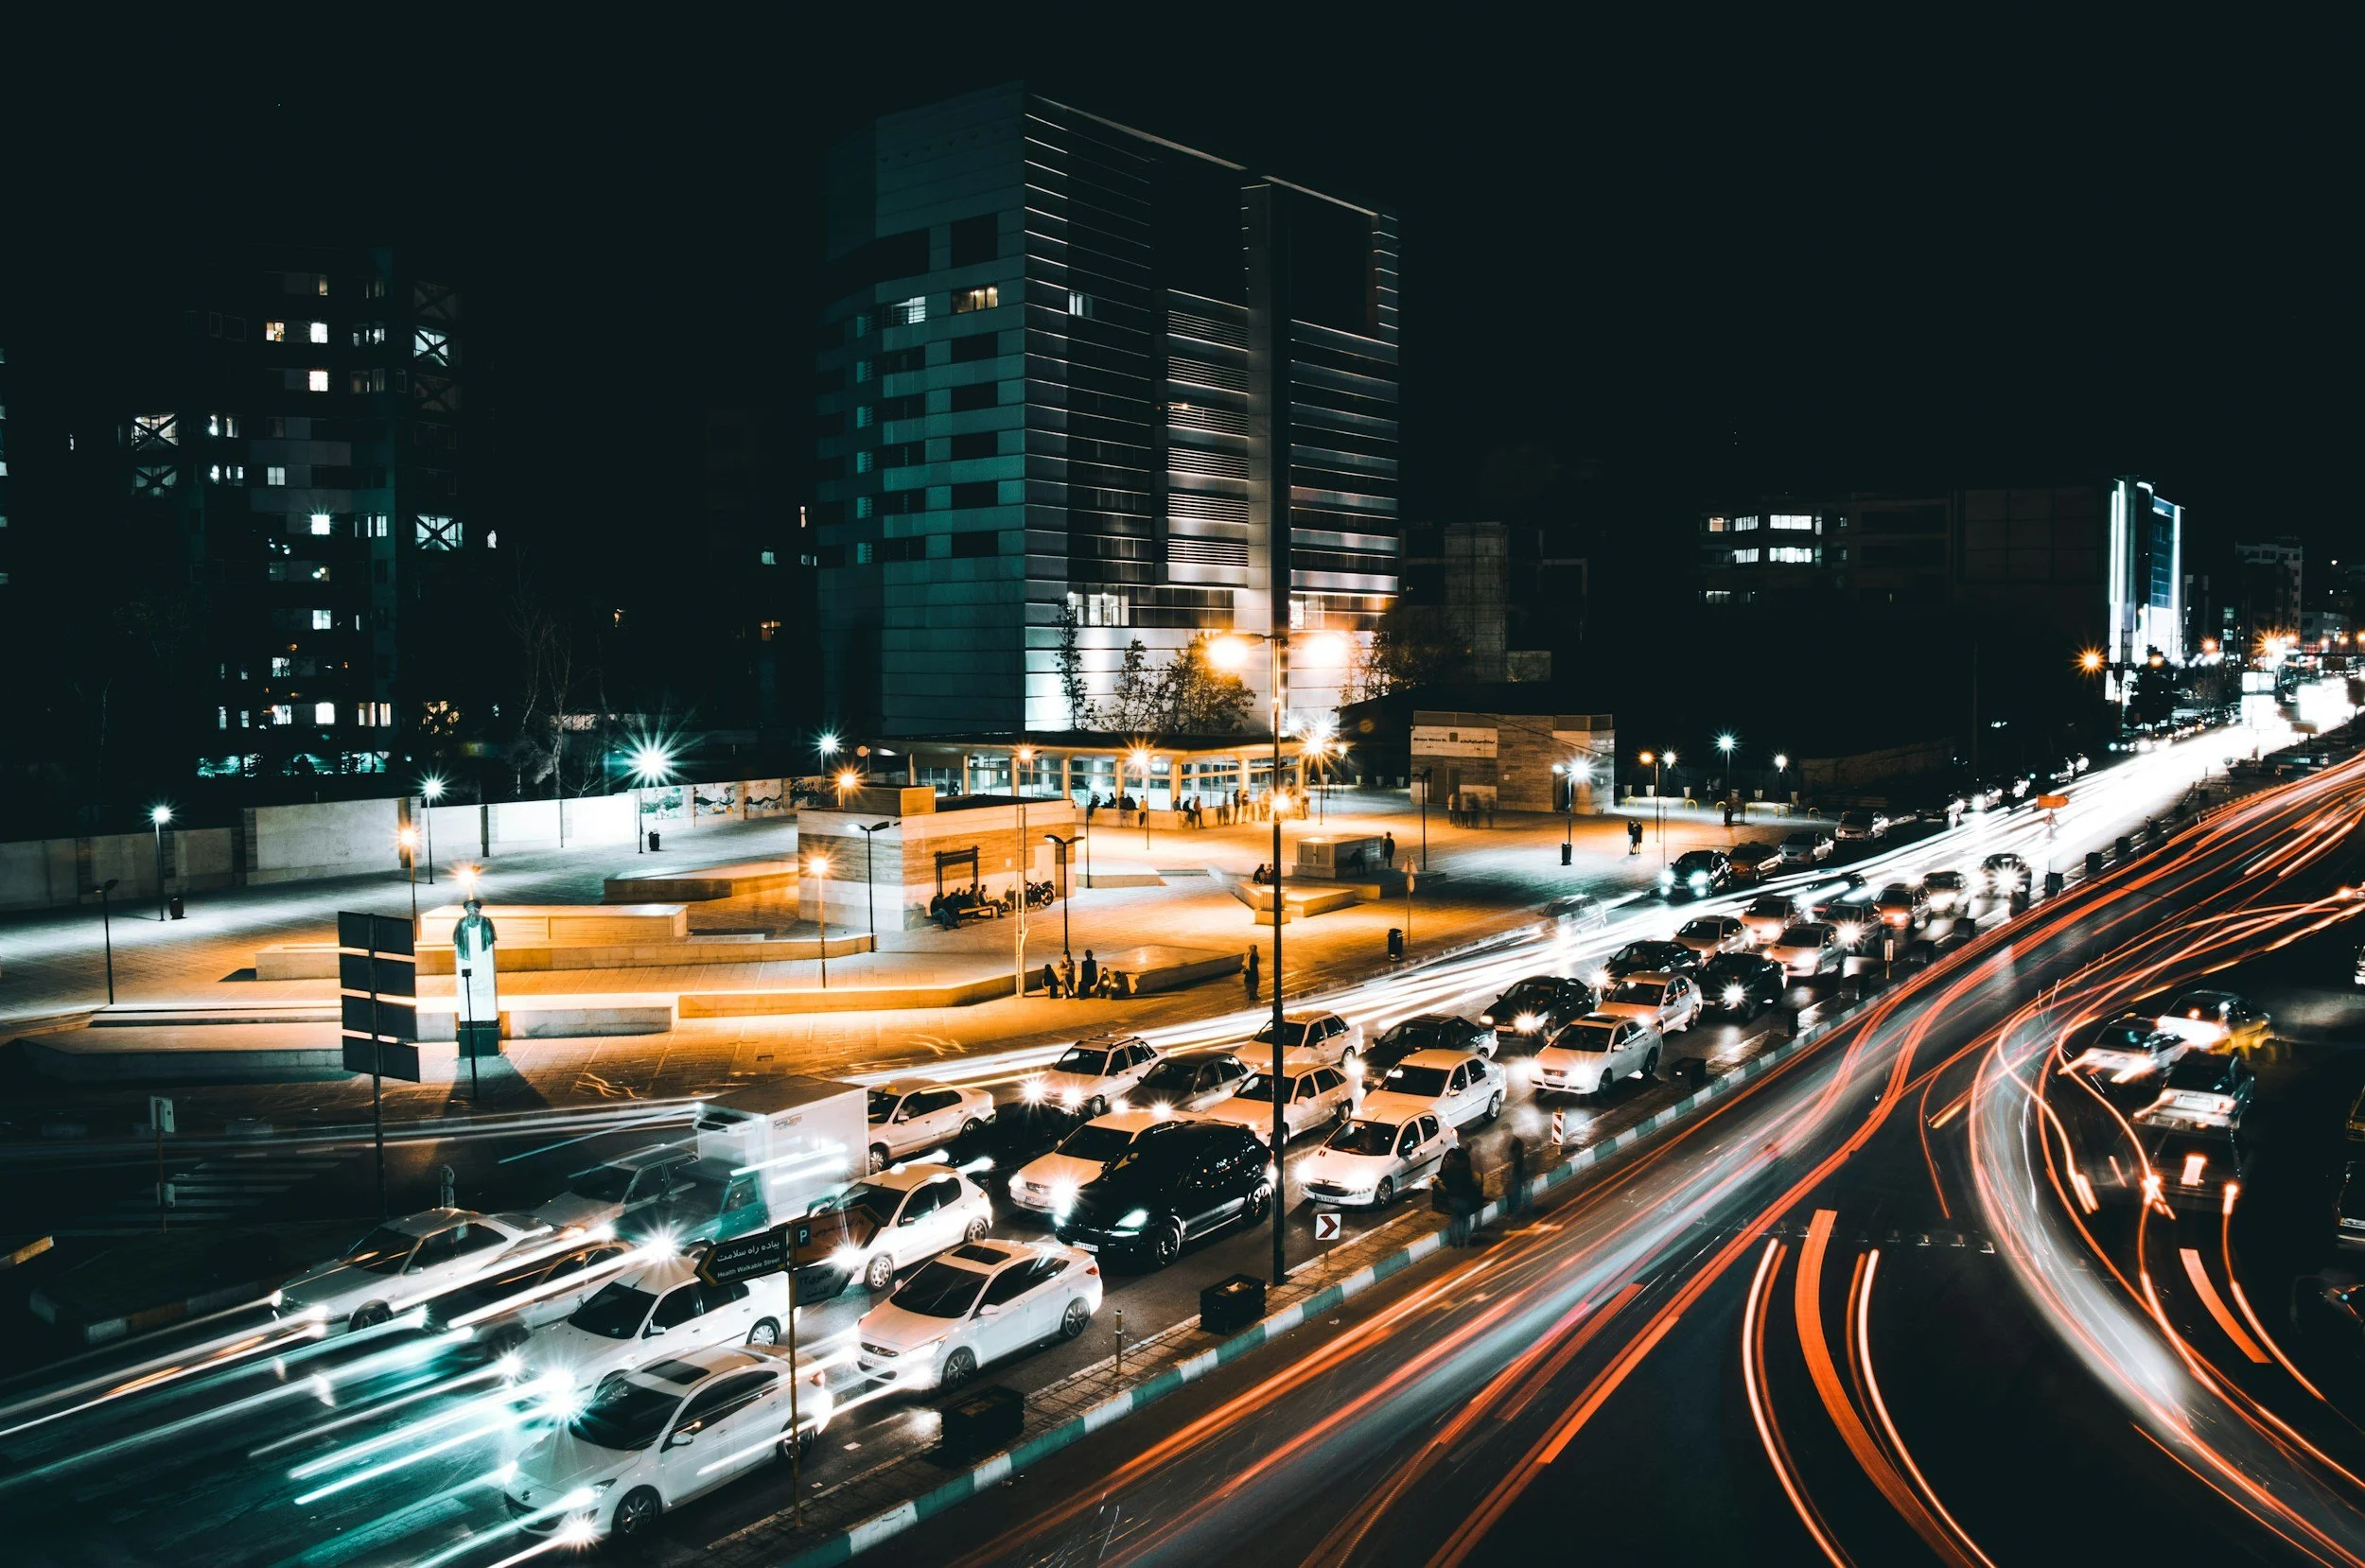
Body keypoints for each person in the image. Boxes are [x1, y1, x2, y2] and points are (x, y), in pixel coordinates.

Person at [1436, 1144, 1481, 1246]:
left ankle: (1456, 1241)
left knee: (1455, 1221)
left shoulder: (1449, 1171)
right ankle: (1466, 1241)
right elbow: (1470, 1184)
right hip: (1465, 1199)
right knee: (1466, 1220)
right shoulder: (1466, 1171)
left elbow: (1445, 1183)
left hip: (1453, 1199)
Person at [1503, 1131, 1531, 1219]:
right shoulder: (1508, 1142)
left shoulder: (1516, 1143)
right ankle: (1514, 1211)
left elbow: (1514, 1157)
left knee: (1516, 1192)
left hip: (1517, 1171)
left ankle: (1516, 1212)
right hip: (1513, 1172)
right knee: (1513, 1192)